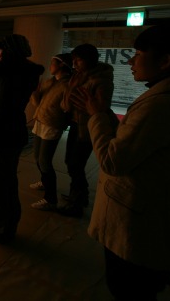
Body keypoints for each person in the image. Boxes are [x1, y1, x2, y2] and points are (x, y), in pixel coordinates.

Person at [72, 24, 170, 300]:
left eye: (138, 54)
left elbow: (112, 161)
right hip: (149, 221)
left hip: (139, 229)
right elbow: (133, 140)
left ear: (165, 61)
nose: (131, 61)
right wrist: (104, 114)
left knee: (127, 289)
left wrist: (96, 115)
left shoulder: (160, 106)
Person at [0, 34, 45, 243]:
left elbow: (0, 112)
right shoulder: (22, 73)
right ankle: (8, 225)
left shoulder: (9, 75)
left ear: (9, 52)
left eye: (1, 50)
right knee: (8, 182)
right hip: (14, 134)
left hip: (2, 137)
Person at [59, 43, 114, 218]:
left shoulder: (101, 79)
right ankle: (78, 195)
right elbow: (67, 102)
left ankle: (77, 203)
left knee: (76, 164)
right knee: (70, 161)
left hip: (88, 128)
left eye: (79, 60)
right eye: (73, 59)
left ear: (90, 60)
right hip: (76, 124)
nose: (74, 63)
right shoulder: (78, 76)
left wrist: (86, 106)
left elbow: (100, 108)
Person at [28, 53, 73, 211]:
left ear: (61, 65)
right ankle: (44, 181)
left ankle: (50, 199)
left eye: (53, 63)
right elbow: (37, 102)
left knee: (45, 161)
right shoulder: (50, 81)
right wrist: (34, 91)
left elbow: (67, 108)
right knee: (37, 158)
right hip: (40, 122)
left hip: (52, 125)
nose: (50, 65)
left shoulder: (67, 85)